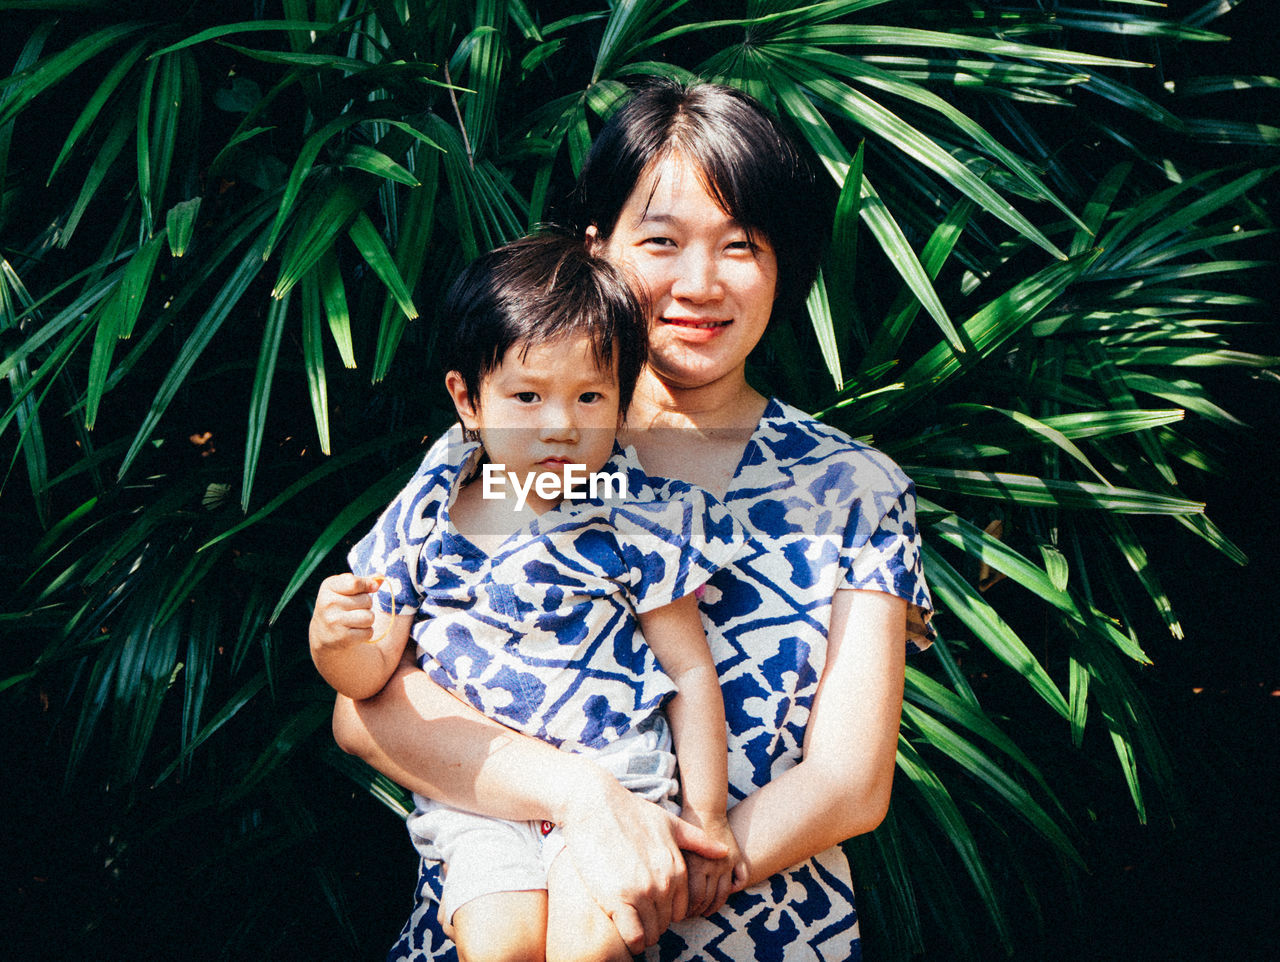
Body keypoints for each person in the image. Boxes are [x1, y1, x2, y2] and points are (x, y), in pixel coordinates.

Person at [310, 80, 934, 961]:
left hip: (749, 926)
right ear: (600, 247)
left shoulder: (856, 491)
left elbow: (849, 783)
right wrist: (583, 801)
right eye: (662, 240)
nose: (699, 282)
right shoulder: (496, 449)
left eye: (740, 245)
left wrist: (654, 869)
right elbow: (367, 711)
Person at [310, 233, 749, 962]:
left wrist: (707, 816)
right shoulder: (432, 503)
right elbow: (370, 677)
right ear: (467, 399)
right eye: (526, 396)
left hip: (619, 778)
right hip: (480, 793)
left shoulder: (634, 512)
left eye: (589, 396)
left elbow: (691, 671)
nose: (560, 424)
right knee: (498, 945)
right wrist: (338, 644)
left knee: (590, 946)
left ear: (621, 395)